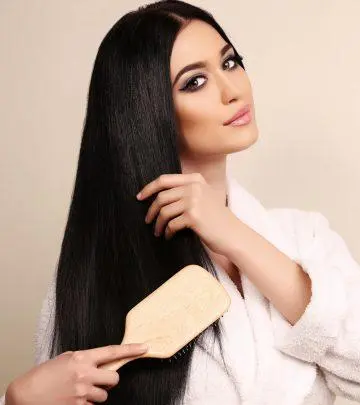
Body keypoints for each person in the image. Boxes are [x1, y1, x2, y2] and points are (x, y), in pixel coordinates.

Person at [2, 0, 360, 404]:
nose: (233, 90)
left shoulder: (305, 238)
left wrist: (234, 234)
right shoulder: (97, 275)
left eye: (230, 62)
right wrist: (18, 402)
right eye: (195, 82)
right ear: (148, 111)